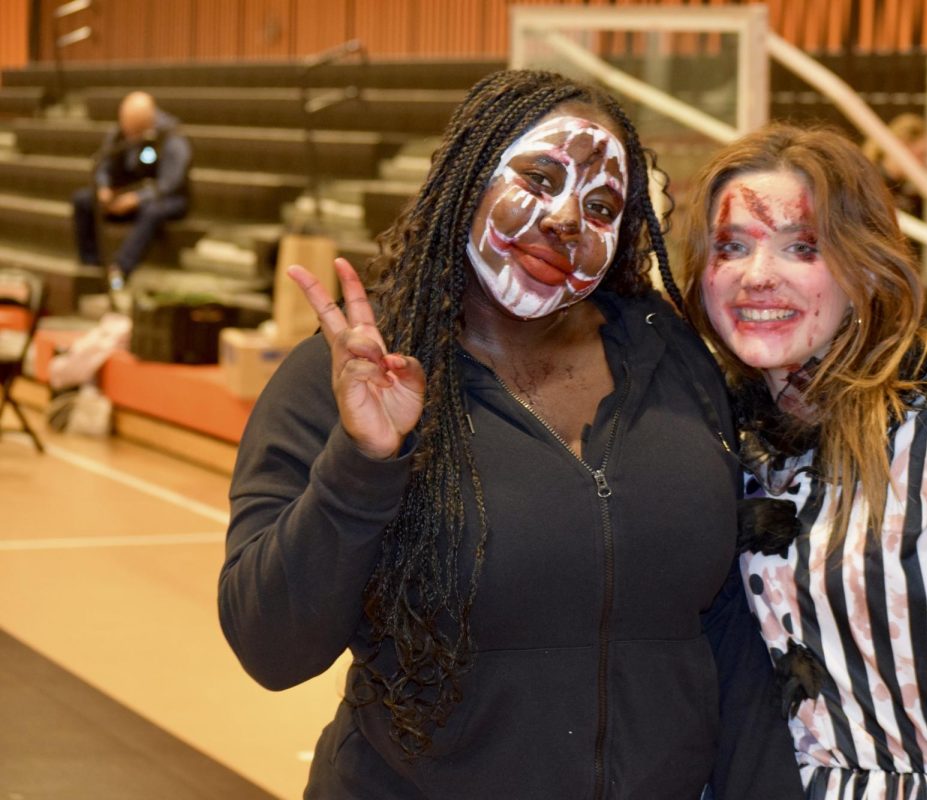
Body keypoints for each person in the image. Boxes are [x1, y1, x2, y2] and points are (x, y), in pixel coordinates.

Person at [219, 70, 801, 799]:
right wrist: (363, 462)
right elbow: (269, 647)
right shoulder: (342, 380)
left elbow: (725, 626)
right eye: (539, 175)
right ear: (469, 174)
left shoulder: (673, 359)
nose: (566, 218)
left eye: (601, 205)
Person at [679, 123, 927, 798]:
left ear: (863, 266)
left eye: (800, 248)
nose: (757, 276)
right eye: (732, 248)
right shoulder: (731, 439)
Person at [71, 91, 192, 292]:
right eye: (126, 127)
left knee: (153, 211)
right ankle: (91, 265)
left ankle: (120, 271)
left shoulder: (171, 137)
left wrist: (136, 199)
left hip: (166, 200)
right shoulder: (119, 133)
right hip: (125, 194)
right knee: (83, 200)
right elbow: (104, 165)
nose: (129, 134)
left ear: (148, 121)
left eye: (135, 130)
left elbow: (170, 184)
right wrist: (104, 188)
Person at [861, 112, 927, 218]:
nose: (925, 163)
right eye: (922, 155)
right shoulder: (871, 185)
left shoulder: (901, 190)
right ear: (902, 145)